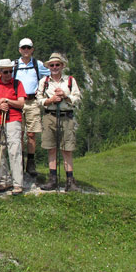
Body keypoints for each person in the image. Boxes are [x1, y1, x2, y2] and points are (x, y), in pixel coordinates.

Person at [36, 53, 82, 191]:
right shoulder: (44, 82)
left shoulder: (70, 80)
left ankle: (70, 181)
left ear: (62, 66)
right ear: (49, 67)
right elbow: (39, 100)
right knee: (51, 148)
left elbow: (77, 97)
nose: (54, 67)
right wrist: (50, 100)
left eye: (57, 65)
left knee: (67, 148)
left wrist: (65, 96)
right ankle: (53, 180)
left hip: (66, 116)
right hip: (50, 116)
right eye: (52, 65)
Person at [0, 59, 27, 194]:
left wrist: (7, 101)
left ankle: (17, 183)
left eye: (10, 71)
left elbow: (21, 103)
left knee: (14, 150)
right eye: (5, 71)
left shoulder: (17, 84)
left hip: (13, 119)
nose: (8, 74)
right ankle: (4, 180)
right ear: (0, 72)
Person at [13, 38, 50, 178]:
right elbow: (3, 76)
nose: (26, 50)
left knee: (32, 134)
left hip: (33, 101)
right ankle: (20, 162)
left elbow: (49, 76)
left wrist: (42, 90)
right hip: (18, 102)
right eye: (23, 48)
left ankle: (31, 162)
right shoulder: (14, 64)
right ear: (19, 50)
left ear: (32, 49)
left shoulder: (37, 64)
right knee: (19, 134)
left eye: (28, 47)